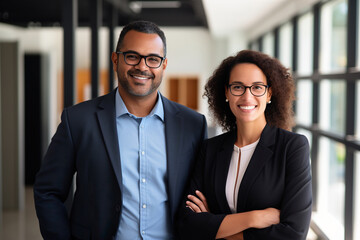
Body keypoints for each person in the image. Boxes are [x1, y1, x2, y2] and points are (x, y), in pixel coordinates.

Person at [34, 20, 207, 240]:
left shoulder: (192, 125)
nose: (142, 67)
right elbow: (48, 191)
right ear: (116, 59)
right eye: (132, 56)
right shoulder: (78, 121)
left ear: (163, 65)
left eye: (153, 59)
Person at [176, 50, 312, 240]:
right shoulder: (210, 149)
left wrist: (215, 227)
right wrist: (254, 218)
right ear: (226, 92)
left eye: (257, 87)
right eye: (238, 87)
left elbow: (293, 234)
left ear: (269, 93)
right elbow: (187, 225)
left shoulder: (292, 147)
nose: (247, 97)